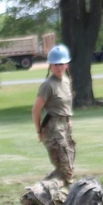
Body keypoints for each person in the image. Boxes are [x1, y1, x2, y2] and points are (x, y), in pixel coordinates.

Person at [32, 45, 75, 184]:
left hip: (66, 124)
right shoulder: (48, 85)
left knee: (68, 165)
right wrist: (39, 131)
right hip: (53, 127)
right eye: (56, 64)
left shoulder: (66, 81)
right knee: (65, 168)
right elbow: (36, 110)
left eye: (62, 64)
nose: (59, 67)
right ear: (50, 65)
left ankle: (56, 194)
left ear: (67, 65)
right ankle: (41, 193)